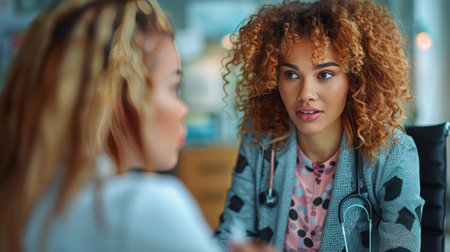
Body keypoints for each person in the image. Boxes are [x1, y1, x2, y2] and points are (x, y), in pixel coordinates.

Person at [0, 0, 224, 251]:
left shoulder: (22, 210)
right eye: (174, 88)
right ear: (122, 95)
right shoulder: (141, 209)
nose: (184, 109)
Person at [215, 0, 424, 251]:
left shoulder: (392, 153)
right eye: (291, 75)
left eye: (324, 75)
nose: (306, 93)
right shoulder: (259, 143)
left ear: (354, 80)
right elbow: (230, 236)